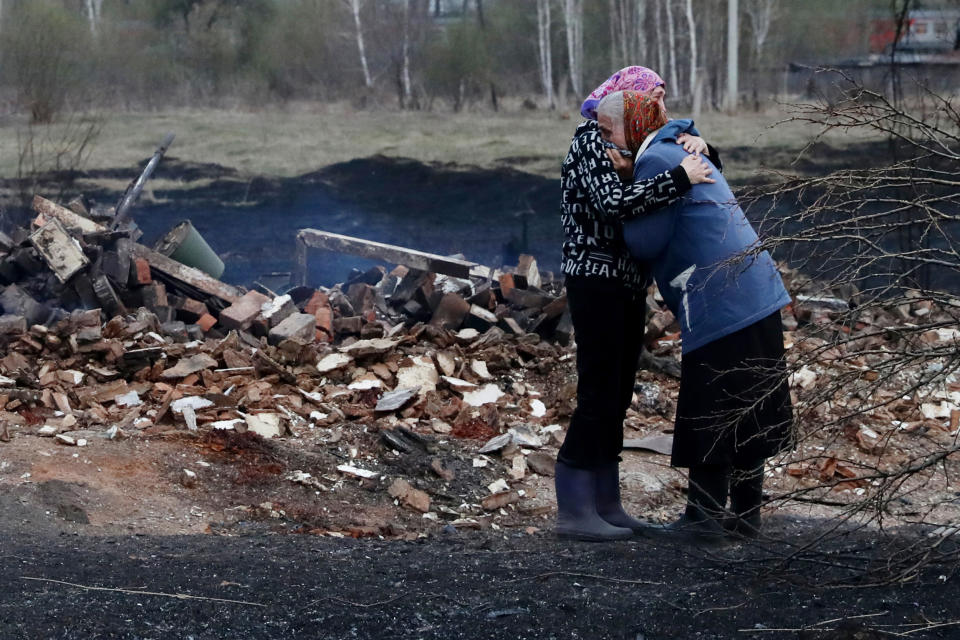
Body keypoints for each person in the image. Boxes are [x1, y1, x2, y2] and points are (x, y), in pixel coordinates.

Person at [606, 90, 794, 541]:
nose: (604, 139)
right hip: (755, 290)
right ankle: (746, 517)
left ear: (632, 125)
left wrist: (630, 186)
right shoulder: (680, 146)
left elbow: (645, 242)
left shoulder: (656, 162)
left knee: (712, 405)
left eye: (608, 129)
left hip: (720, 299)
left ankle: (703, 518)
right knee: (750, 405)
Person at [556, 73, 716, 542]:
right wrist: (679, 178)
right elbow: (612, 203)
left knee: (618, 392)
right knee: (599, 391)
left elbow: (688, 146)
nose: (661, 100)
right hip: (595, 278)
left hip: (625, 283)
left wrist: (697, 140)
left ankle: (607, 503)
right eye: (652, 93)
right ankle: (574, 508)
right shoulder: (591, 138)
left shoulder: (638, 139)